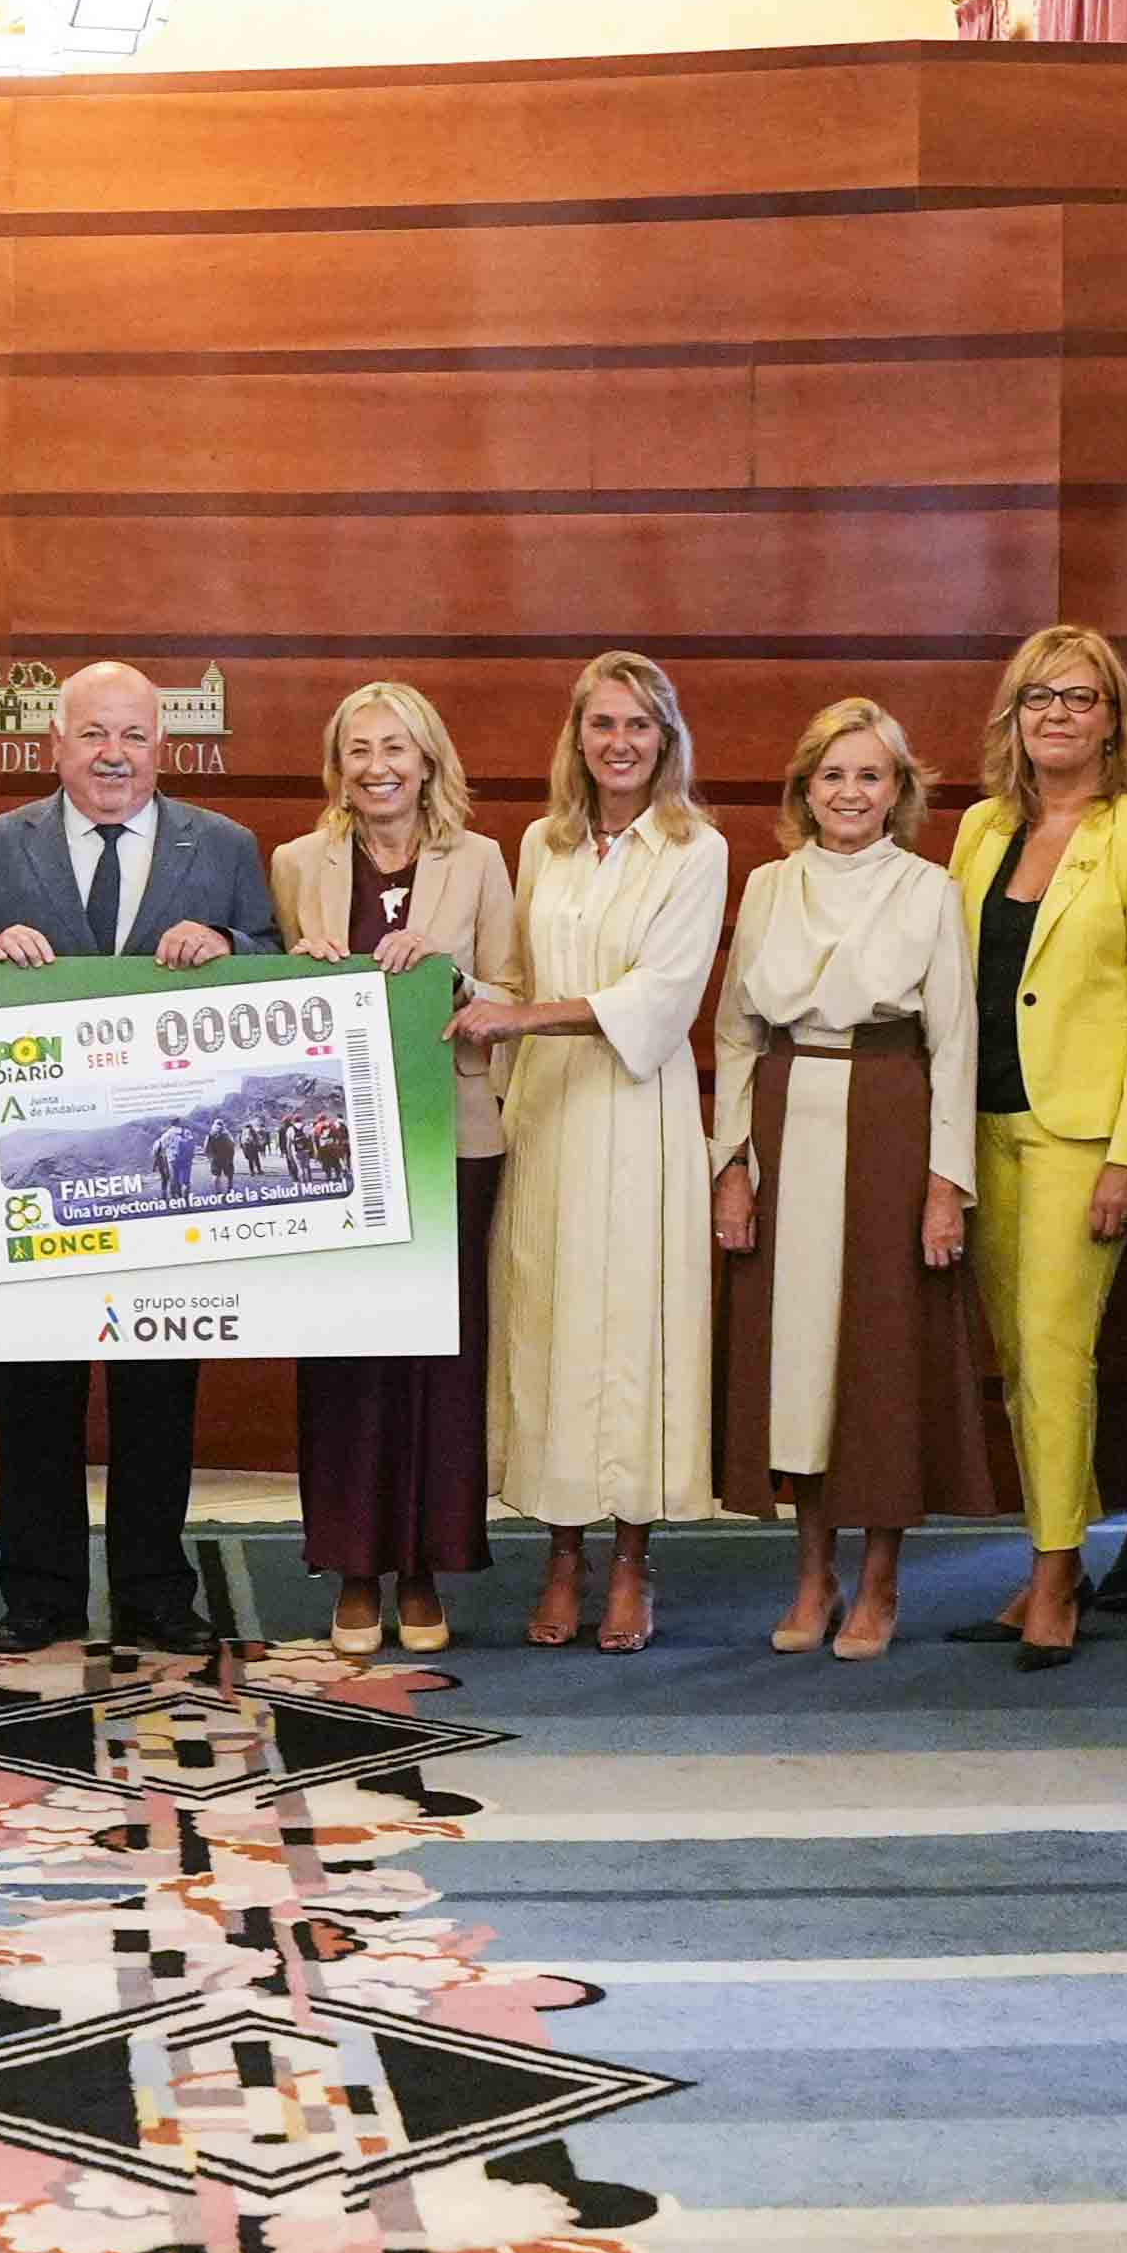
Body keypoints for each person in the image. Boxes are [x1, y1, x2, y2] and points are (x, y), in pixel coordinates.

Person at [0, 659, 279, 1654]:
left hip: (167, 1185)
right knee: (31, 1393)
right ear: (56, 745)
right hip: (40, 1183)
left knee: (158, 1393)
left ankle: (153, 1593)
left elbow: (274, 957)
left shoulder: (222, 848)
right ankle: (38, 1593)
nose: (113, 754)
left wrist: (224, 941)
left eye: (132, 735)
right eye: (93, 734)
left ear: (162, 749)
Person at [707, 695, 985, 1661]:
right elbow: (737, 1033)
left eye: (871, 775)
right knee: (798, 1360)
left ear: (898, 790)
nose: (851, 792)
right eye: (834, 774)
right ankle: (811, 1573)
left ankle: (879, 1580)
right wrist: (730, 1164)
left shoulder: (927, 890)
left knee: (877, 1356)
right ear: (805, 788)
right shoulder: (770, 886)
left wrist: (946, 1182)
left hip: (889, 1121)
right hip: (789, 1116)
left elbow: (955, 1043)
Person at [936, 625, 1127, 1666]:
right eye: (1038, 697)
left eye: (1079, 699)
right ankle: (1056, 1558)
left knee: (1054, 1352)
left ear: (1112, 719)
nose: (1056, 716)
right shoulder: (980, 829)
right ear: (1013, 715)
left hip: (1082, 1131)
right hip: (983, 1121)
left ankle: (1051, 1575)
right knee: (1016, 1363)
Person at [476, 652, 729, 1657]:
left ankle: (631, 1555)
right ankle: (560, 1550)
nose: (618, 742)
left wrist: (521, 1017)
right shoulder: (543, 843)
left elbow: (662, 1000)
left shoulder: (694, 848)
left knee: (629, 1337)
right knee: (549, 1328)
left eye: (638, 725)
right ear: (576, 737)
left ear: (664, 739)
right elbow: (508, 974)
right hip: (546, 1114)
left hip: (638, 1116)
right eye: (601, 724)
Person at [274, 681, 523, 1659]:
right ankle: (353, 1567)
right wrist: (297, 965)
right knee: (346, 1355)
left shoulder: (482, 861)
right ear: (336, 765)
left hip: (452, 1132)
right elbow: (266, 999)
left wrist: (454, 976)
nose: (377, 766)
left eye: (396, 748)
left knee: (438, 1357)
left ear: (427, 760)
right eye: (357, 749)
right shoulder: (297, 861)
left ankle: (424, 1564)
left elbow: (516, 988)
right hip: (332, 1150)